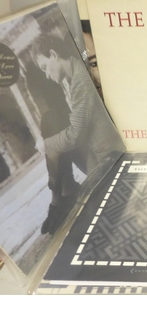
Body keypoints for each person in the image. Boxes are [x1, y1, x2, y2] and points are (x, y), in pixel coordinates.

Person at [31, 34, 123, 235]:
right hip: (91, 151)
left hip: (106, 160)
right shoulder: (70, 78)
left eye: (45, 67)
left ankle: (60, 198)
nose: (46, 75)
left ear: (54, 54)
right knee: (49, 119)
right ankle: (62, 193)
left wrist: (45, 145)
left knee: (54, 130)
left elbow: (74, 136)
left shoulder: (81, 80)